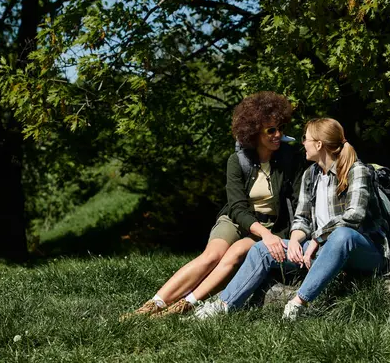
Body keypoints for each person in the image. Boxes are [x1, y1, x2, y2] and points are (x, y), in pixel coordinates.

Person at [120, 91, 301, 320]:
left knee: (235, 253)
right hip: (238, 219)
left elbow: (296, 202)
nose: (278, 135)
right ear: (254, 131)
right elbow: (237, 207)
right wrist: (264, 234)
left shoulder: (289, 159)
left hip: (272, 224)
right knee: (212, 255)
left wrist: (275, 235)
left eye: (280, 128)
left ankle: (185, 305)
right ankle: (152, 305)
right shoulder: (238, 161)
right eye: (271, 130)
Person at [193, 117, 390, 320]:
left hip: (366, 252)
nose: (302, 143)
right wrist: (296, 241)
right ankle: (224, 305)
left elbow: (354, 216)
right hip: (321, 250)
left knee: (342, 235)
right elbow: (301, 218)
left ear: (319, 144)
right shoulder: (310, 174)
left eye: (306, 138)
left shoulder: (356, 170)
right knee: (262, 249)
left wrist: (316, 239)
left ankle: (298, 304)